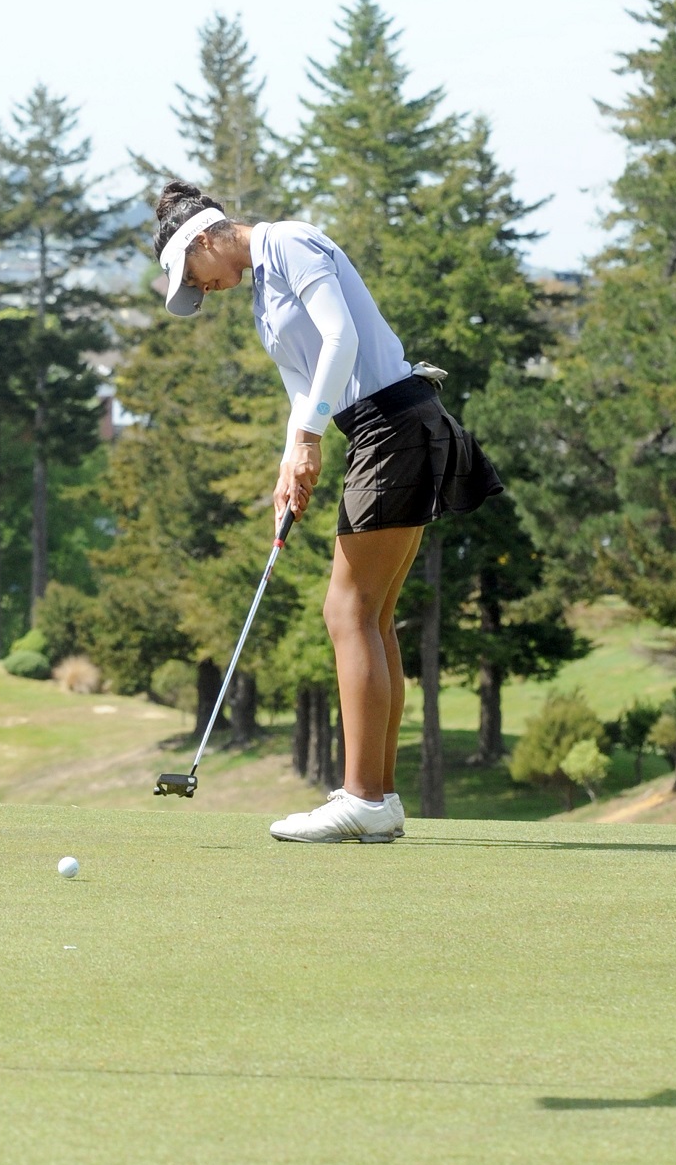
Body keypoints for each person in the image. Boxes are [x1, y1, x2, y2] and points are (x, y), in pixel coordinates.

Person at [153, 180, 502, 843]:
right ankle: (380, 800)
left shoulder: (289, 241)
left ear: (204, 240)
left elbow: (341, 339)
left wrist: (312, 440)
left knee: (346, 611)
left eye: (193, 277)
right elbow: (302, 387)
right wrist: (291, 463)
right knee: (368, 613)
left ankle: (362, 797)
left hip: (395, 422)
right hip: (378, 429)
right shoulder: (262, 297)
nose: (202, 290)